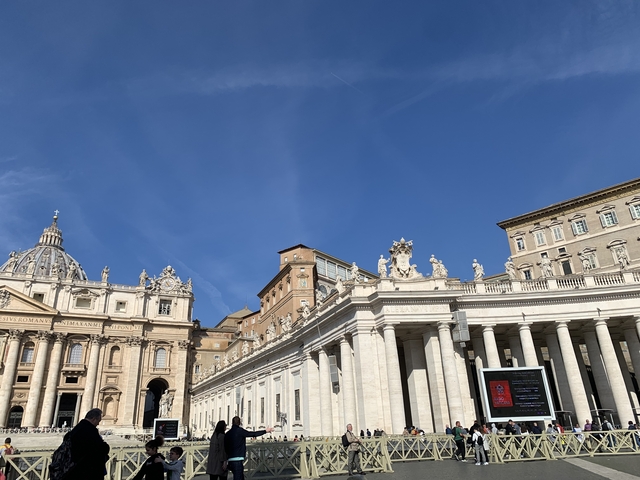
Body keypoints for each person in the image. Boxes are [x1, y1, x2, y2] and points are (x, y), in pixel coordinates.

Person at [65, 408, 111, 480]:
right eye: (98, 421)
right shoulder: (90, 431)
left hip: (72, 470)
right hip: (88, 471)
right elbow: (100, 448)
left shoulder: (75, 430)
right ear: (93, 419)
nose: (98, 424)